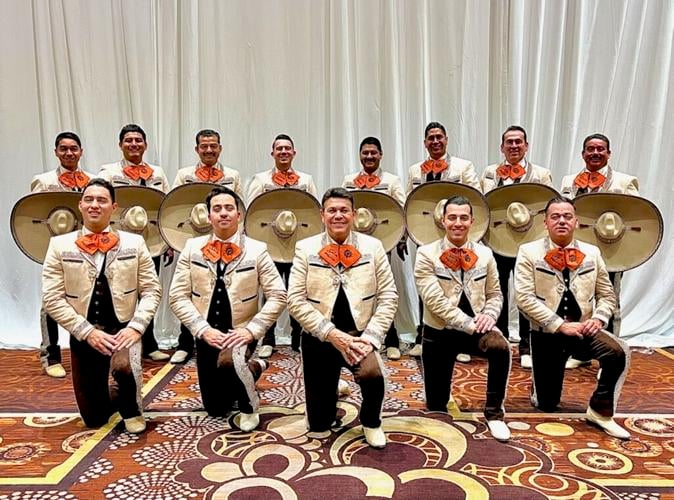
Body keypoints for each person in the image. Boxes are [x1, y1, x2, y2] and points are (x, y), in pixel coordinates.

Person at [42, 179, 161, 433]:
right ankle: (115, 392)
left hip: (124, 329)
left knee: (124, 366)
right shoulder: (58, 245)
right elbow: (51, 298)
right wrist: (86, 332)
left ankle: (132, 403)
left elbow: (152, 290)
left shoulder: (135, 243)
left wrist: (136, 328)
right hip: (85, 332)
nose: (95, 205)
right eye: (89, 199)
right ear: (80, 205)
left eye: (102, 200)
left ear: (114, 207)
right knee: (93, 418)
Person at [287, 187, 398, 448]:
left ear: (354, 214)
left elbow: (389, 296)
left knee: (373, 375)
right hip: (320, 337)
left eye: (344, 210)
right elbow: (294, 300)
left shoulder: (373, 247)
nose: (338, 216)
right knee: (318, 426)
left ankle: (371, 421)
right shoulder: (305, 247)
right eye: (332, 211)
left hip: (359, 335)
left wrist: (370, 338)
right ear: (322, 215)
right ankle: (332, 389)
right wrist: (331, 334)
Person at [169, 187, 286, 431]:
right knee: (216, 407)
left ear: (239, 214)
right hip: (206, 334)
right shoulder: (191, 248)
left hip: (241, 331)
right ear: (209, 216)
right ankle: (254, 368)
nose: (223, 213)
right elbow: (177, 296)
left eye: (229, 208)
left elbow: (278, 295)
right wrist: (201, 330)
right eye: (217, 209)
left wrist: (252, 330)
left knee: (229, 364)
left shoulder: (258, 249)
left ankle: (249, 405)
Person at [515, 196, 630, 439]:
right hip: (547, 333)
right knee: (546, 404)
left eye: (567, 216)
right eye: (555, 216)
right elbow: (523, 298)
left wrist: (598, 319)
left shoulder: (592, 252)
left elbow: (607, 295)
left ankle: (600, 411)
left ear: (576, 222)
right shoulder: (528, 252)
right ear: (545, 222)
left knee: (618, 352)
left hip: (585, 330)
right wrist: (560, 325)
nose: (561, 221)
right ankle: (539, 384)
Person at [414, 195, 511, 441]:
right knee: (436, 405)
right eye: (452, 217)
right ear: (443, 220)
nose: (458, 223)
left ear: (472, 221)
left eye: (463, 218)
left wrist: (489, 315)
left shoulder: (486, 254)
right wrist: (470, 324)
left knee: (501, 347)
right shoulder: (426, 253)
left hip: (478, 327)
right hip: (439, 332)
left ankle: (494, 414)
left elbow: (495, 294)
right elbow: (434, 301)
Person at [560, 133, 639, 368]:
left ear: (609, 153)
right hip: (577, 251)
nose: (595, 153)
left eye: (600, 149)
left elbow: (634, 215)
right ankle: (582, 353)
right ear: (583, 153)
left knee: (610, 301)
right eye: (590, 149)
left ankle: (611, 357)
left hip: (610, 251)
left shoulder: (624, 182)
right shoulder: (569, 180)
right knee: (578, 300)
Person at [405, 122, 481, 361]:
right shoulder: (415, 170)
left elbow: (476, 198)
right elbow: (409, 204)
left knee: (459, 284)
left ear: (446, 139)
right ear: (425, 142)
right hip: (425, 236)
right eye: (430, 138)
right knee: (426, 286)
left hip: (456, 234)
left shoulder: (463, 166)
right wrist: (405, 235)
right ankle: (423, 336)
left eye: (439, 137)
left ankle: (461, 341)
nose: (435, 141)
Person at [481, 125, 554, 369]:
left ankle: (526, 345)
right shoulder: (490, 173)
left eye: (518, 142)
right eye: (509, 142)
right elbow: (484, 207)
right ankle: (499, 340)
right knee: (496, 291)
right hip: (498, 241)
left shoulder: (542, 175)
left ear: (526, 145)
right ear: (502, 147)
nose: (514, 146)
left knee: (527, 294)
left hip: (528, 245)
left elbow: (547, 208)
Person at [169, 129, 243, 365]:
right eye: (204, 146)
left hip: (225, 239)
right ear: (197, 149)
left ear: (220, 148)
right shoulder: (184, 174)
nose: (209, 150)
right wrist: (172, 241)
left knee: (224, 287)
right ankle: (185, 343)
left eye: (213, 146)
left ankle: (230, 336)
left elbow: (240, 205)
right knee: (190, 290)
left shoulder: (233, 175)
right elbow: (172, 207)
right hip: (191, 238)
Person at [99, 124, 170, 361]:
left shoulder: (158, 173)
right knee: (122, 292)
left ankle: (149, 343)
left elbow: (167, 209)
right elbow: (100, 205)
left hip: (152, 242)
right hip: (120, 243)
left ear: (145, 145)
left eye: (138, 140)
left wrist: (168, 241)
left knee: (149, 292)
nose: (134, 145)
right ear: (120, 145)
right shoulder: (108, 173)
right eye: (128, 140)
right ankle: (120, 343)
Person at [31, 132, 96, 378]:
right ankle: (50, 355)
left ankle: (86, 349)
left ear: (81, 151)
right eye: (63, 149)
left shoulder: (93, 179)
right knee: (51, 301)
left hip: (86, 249)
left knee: (86, 298)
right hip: (56, 250)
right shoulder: (44, 181)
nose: (69, 153)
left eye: (73, 149)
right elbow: (35, 218)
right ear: (56, 152)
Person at [246, 134, 318, 358]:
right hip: (269, 244)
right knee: (271, 292)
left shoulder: (305, 180)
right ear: (273, 153)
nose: (284, 152)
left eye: (288, 148)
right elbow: (251, 213)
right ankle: (268, 338)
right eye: (279, 148)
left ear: (294, 153)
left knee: (299, 291)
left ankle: (298, 336)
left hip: (299, 244)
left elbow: (315, 211)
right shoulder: (260, 180)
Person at [342, 136, 405, 360]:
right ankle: (360, 335)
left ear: (381, 155)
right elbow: (342, 208)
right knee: (359, 289)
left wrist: (401, 239)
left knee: (385, 292)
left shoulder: (392, 180)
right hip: (355, 245)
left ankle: (391, 339)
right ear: (360, 155)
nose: (369, 156)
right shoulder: (349, 180)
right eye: (365, 153)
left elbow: (401, 212)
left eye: (373, 153)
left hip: (383, 243)